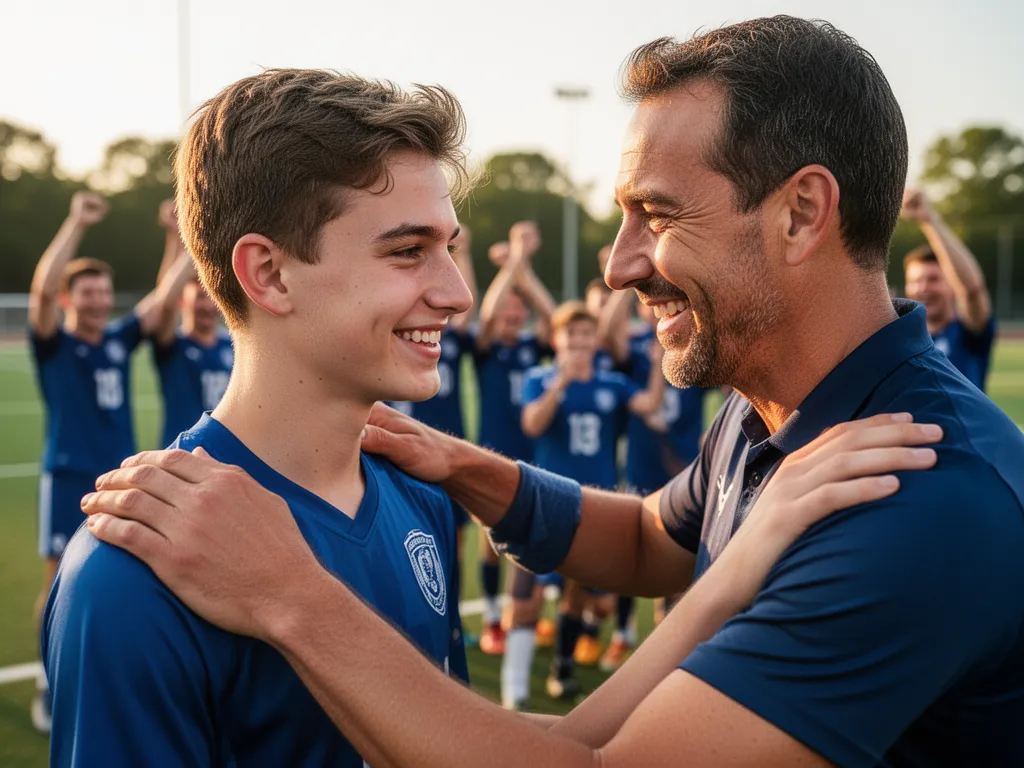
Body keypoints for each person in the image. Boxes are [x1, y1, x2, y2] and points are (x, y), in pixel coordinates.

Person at [82, 17, 1024, 767]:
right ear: (267, 273)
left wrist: (293, 596)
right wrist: (468, 469)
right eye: (409, 250)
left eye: (656, 214)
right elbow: (652, 540)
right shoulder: (771, 407)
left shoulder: (918, 497)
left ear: (802, 213)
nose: (618, 267)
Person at [43, 69, 474, 766]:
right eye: (407, 252)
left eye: (448, 248)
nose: (457, 294)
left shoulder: (421, 499)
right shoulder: (131, 573)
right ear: (269, 274)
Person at [26, 191, 194, 733]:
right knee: (58, 582)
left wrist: (179, 236)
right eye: (88, 292)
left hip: (116, 477)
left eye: (103, 291)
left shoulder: (118, 341)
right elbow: (41, 290)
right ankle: (48, 681)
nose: (99, 300)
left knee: (121, 574)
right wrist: (75, 222)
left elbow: (163, 301)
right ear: (70, 299)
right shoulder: (55, 343)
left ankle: (114, 670)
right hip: (67, 475)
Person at [520, 300, 664, 702]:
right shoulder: (541, 379)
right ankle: (547, 669)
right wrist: (561, 384)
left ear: (595, 341)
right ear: (557, 340)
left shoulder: (610, 384)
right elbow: (532, 424)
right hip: (550, 500)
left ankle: (572, 647)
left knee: (596, 602)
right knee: (535, 596)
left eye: (586, 334)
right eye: (572, 334)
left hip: (596, 502)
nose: (580, 342)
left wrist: (658, 365)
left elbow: (648, 405)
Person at [595, 288, 707, 668]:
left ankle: (669, 641)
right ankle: (622, 634)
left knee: (681, 555)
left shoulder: (691, 339)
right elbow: (607, 334)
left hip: (684, 462)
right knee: (633, 550)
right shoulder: (637, 345)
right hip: (642, 462)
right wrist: (624, 288)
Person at [472, 223, 556, 656]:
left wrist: (522, 267)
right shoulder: (486, 347)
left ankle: (522, 613)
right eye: (509, 308)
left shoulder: (530, 348)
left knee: (529, 538)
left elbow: (551, 316)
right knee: (491, 542)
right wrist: (516, 260)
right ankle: (492, 618)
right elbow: (487, 316)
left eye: (519, 310)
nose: (514, 314)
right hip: (492, 452)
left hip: (533, 455)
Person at [150, 202, 235, 448]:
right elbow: (165, 301)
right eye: (199, 297)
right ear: (183, 302)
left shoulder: (232, 344)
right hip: (181, 453)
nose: (208, 305)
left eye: (211, 297)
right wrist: (196, 238)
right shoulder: (173, 345)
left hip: (224, 453)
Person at [901, 188, 996, 391]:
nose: (923, 288)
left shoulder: (968, 331)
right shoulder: (903, 339)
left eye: (933, 279)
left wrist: (928, 220)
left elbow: (972, 290)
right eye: (915, 281)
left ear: (953, 285)